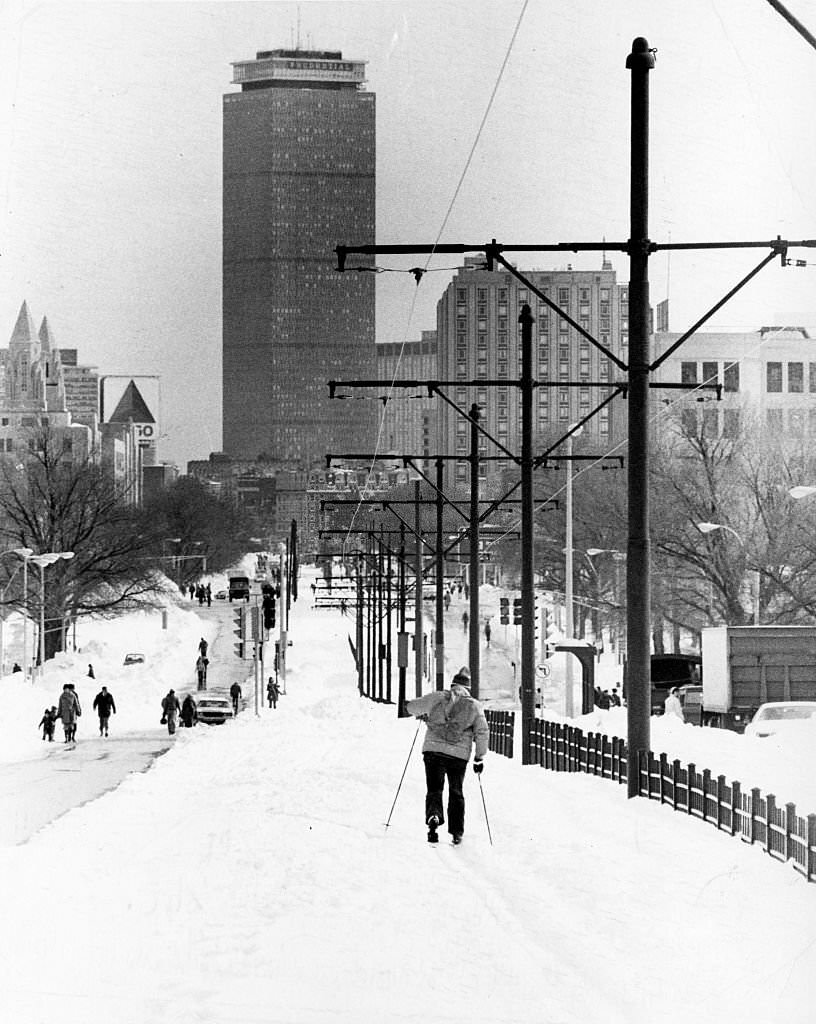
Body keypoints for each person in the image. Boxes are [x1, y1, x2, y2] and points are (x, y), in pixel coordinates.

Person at [404, 666, 488, 845]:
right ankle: (456, 831)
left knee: (434, 788)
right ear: (468, 688)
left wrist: (414, 708)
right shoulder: (474, 705)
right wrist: (479, 757)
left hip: (433, 751)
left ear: (452, 685)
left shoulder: (438, 697)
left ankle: (434, 816)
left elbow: (412, 707)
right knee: (456, 791)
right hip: (458, 756)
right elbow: (482, 732)